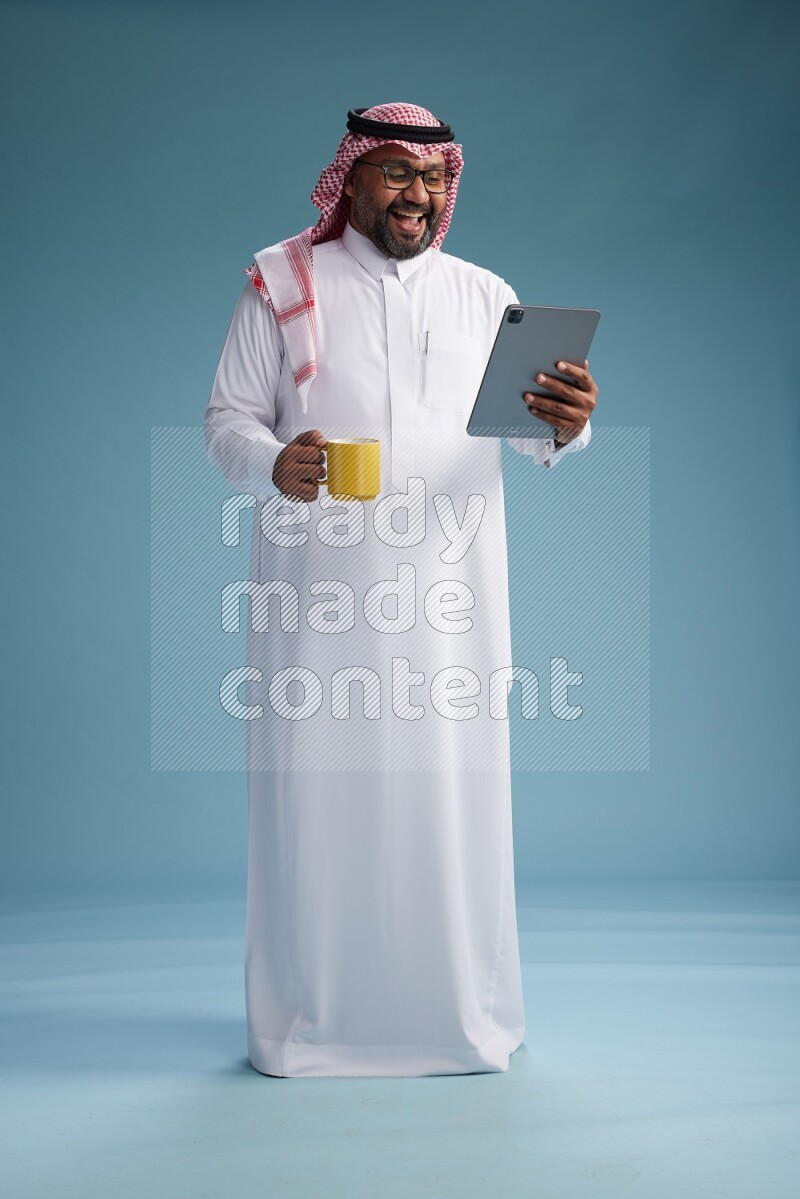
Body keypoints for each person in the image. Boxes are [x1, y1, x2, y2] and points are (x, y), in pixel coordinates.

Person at [204, 102, 598, 1078]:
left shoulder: (482, 296)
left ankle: (455, 1022)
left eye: (434, 177)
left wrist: (569, 423)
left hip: (451, 612)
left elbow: (535, 432)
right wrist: (270, 463)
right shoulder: (280, 280)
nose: (417, 194)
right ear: (350, 179)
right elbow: (226, 420)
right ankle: (308, 1027)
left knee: (449, 804)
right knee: (317, 806)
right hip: (318, 609)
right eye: (394, 173)